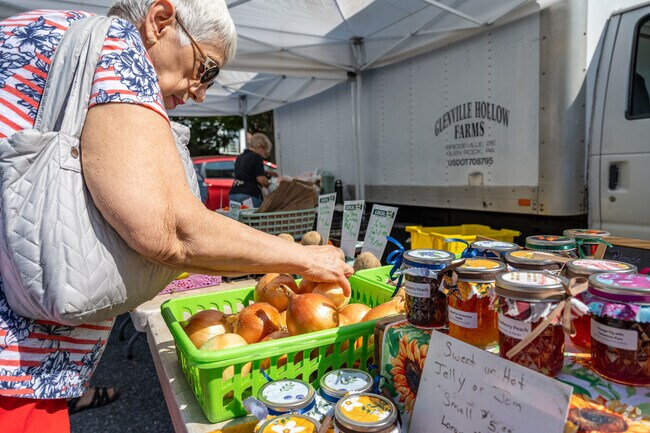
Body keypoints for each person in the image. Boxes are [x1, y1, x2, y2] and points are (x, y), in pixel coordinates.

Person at [0, 1, 353, 432]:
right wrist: (304, 258)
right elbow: (171, 230)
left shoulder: (35, 29)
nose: (201, 91)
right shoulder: (119, 43)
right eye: (207, 68)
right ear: (161, 20)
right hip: (11, 366)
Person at [229, 132, 276, 207]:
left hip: (234, 193)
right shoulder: (256, 157)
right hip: (248, 195)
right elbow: (261, 179)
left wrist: (267, 173)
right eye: (265, 152)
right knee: (252, 217)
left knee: (236, 218)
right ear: (260, 146)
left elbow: (246, 173)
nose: (264, 155)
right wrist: (272, 186)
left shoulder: (240, 157)